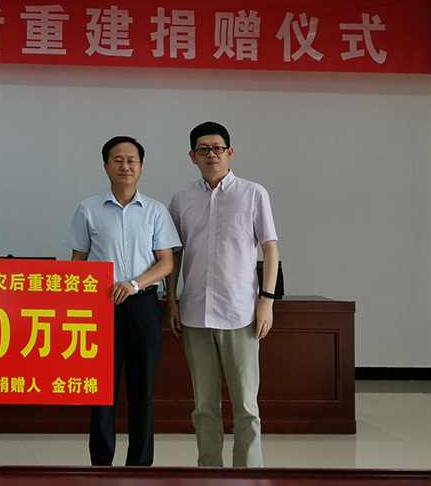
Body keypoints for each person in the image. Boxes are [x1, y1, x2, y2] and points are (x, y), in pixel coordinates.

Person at [166, 121, 280, 468]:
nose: (211, 155)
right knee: (204, 406)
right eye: (203, 149)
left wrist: (267, 300)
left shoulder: (253, 193)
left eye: (217, 148)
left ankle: (248, 474)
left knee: (246, 405)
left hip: (240, 313)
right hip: (195, 313)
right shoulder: (181, 199)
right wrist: (171, 300)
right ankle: (209, 471)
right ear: (192, 156)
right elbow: (174, 254)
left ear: (230, 153)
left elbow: (270, 248)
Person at [63, 135, 180, 467]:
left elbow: (166, 263)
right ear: (106, 166)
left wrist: (134, 284)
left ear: (141, 167)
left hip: (144, 306)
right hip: (101, 309)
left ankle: (140, 465)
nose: (125, 166)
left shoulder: (155, 211)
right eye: (118, 160)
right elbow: (77, 265)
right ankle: (101, 464)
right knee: (101, 390)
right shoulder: (88, 209)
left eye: (132, 160)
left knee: (142, 391)